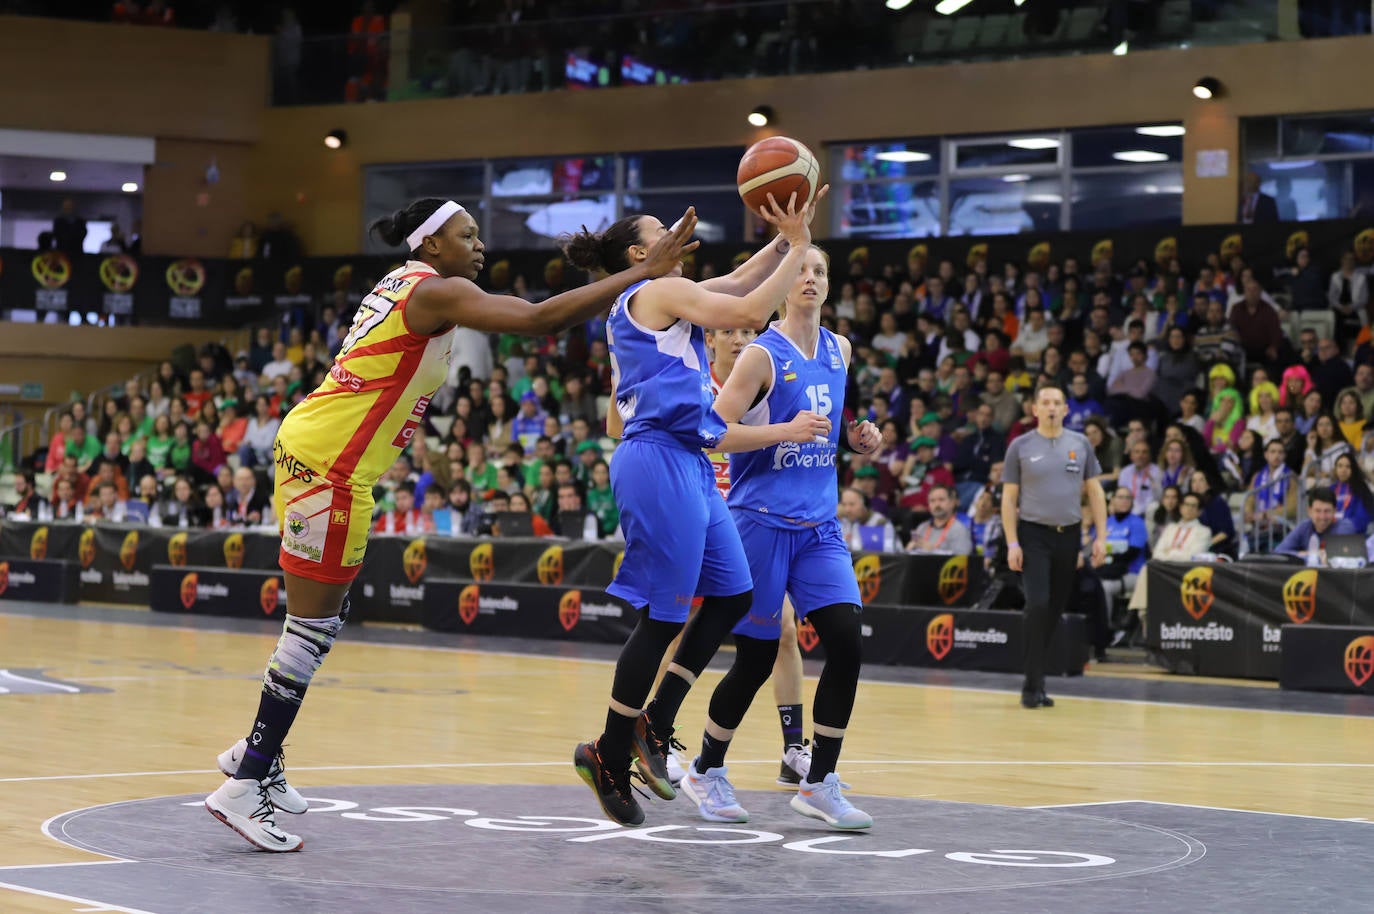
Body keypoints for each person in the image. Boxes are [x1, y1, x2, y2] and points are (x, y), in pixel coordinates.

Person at [205, 196, 700, 852]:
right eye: (466, 235)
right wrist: (642, 273)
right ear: (431, 244)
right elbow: (538, 319)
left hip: (327, 458)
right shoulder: (438, 290)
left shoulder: (408, 286)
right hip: (329, 466)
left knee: (317, 626)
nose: (480, 246)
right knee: (311, 631)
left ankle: (254, 754)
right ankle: (247, 780)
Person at [568, 192, 828, 828]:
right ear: (640, 254)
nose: (678, 235)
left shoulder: (669, 293)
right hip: (656, 457)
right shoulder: (650, 294)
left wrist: (783, 234)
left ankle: (653, 725)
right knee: (663, 619)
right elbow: (744, 306)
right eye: (663, 231)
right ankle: (607, 751)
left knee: (734, 595)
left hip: (686, 459)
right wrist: (796, 251)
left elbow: (738, 280)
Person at [648, 243, 880, 830]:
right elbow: (712, 432)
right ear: (781, 283)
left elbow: (825, 433)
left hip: (820, 525)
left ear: (829, 286)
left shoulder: (841, 350)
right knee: (753, 660)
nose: (809, 279)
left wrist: (855, 439)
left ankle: (820, 783)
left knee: (847, 643)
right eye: (799, 270)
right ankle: (706, 768)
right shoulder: (759, 355)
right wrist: (786, 429)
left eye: (819, 271)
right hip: (759, 521)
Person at [1001, 381, 1107, 709]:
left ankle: (1036, 678)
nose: (1050, 407)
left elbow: (1095, 491)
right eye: (1044, 402)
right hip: (1033, 535)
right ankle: (1033, 685)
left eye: (1056, 402)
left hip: (1069, 535)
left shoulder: (1080, 444)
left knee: (1054, 609)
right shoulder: (1019, 446)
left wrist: (1100, 537)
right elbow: (1009, 498)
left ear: (1065, 409)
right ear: (1034, 409)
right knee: (1037, 603)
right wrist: (1012, 542)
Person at [1127, 491, 1213, 627]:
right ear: (1180, 507)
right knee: (1147, 568)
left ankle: (1136, 615)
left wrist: (1170, 552)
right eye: (1186, 504)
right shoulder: (1170, 528)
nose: (1189, 508)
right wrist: (1176, 553)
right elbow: (1157, 553)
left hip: (1184, 573)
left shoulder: (1204, 531)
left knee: (1147, 569)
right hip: (1163, 570)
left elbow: (1192, 557)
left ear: (1199, 511)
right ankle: (1143, 617)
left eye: (1193, 506)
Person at [1275, 487, 1356, 565]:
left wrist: (1303, 555)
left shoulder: (1345, 527)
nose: (1322, 517)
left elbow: (1335, 558)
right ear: (1309, 511)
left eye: (1327, 511)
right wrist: (1311, 554)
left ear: (1335, 511)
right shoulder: (1304, 526)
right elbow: (1279, 552)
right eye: (1318, 511)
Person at [907, 483, 973, 555]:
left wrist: (933, 550)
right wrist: (909, 550)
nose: (937, 504)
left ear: (951, 503)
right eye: (932, 501)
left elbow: (962, 558)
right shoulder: (922, 527)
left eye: (941, 500)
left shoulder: (960, 529)